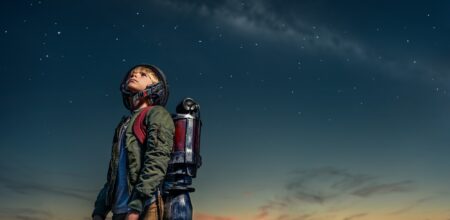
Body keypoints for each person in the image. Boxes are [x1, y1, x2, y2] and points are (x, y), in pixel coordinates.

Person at [92, 64, 175, 220]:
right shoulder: (124, 124)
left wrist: (137, 206)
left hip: (143, 208)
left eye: (143, 74)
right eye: (132, 74)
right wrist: (100, 209)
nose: (134, 75)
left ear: (155, 87)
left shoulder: (157, 113)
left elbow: (157, 160)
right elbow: (113, 173)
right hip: (119, 210)